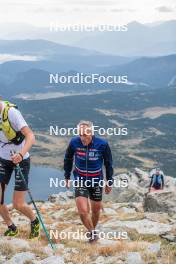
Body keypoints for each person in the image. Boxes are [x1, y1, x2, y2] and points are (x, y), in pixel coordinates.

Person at [64, 121, 113, 243]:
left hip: (96, 181)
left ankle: (93, 229)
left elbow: (108, 164)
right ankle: (92, 234)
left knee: (95, 211)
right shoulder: (74, 142)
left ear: (91, 133)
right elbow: (68, 158)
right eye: (80, 134)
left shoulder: (102, 144)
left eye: (85, 134)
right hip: (80, 180)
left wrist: (109, 181)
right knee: (82, 211)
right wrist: (67, 176)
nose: (82, 138)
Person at [0, 99, 40, 238]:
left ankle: (35, 222)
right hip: (3, 160)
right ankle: (12, 227)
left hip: (20, 160)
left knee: (18, 204)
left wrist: (21, 154)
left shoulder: (11, 112)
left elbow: (30, 135)